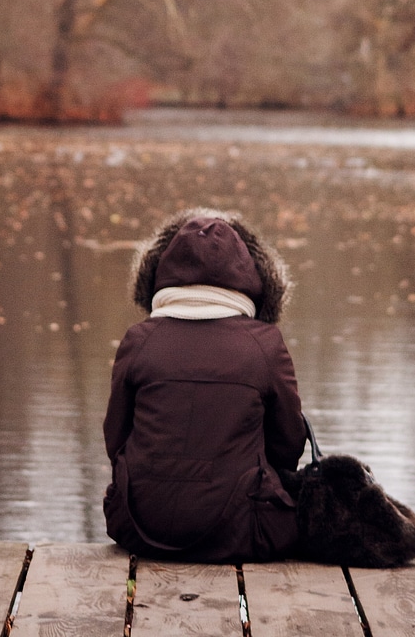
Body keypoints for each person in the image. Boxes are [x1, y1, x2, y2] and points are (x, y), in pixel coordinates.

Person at [103, 207, 306, 563]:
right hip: (242, 533)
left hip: (137, 527)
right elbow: (288, 446)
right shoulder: (266, 345)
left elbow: (115, 439)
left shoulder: (138, 340)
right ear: (252, 278)